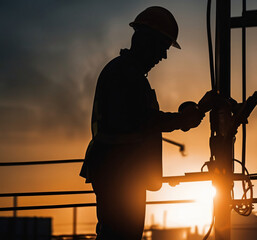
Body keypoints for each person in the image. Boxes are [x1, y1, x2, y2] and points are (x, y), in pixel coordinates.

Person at [79, 6, 212, 239]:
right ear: (146, 41)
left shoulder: (127, 74)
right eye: (162, 47)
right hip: (119, 173)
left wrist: (185, 117)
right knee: (121, 234)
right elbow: (143, 121)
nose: (163, 56)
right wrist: (184, 119)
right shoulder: (124, 75)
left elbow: (141, 120)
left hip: (120, 172)